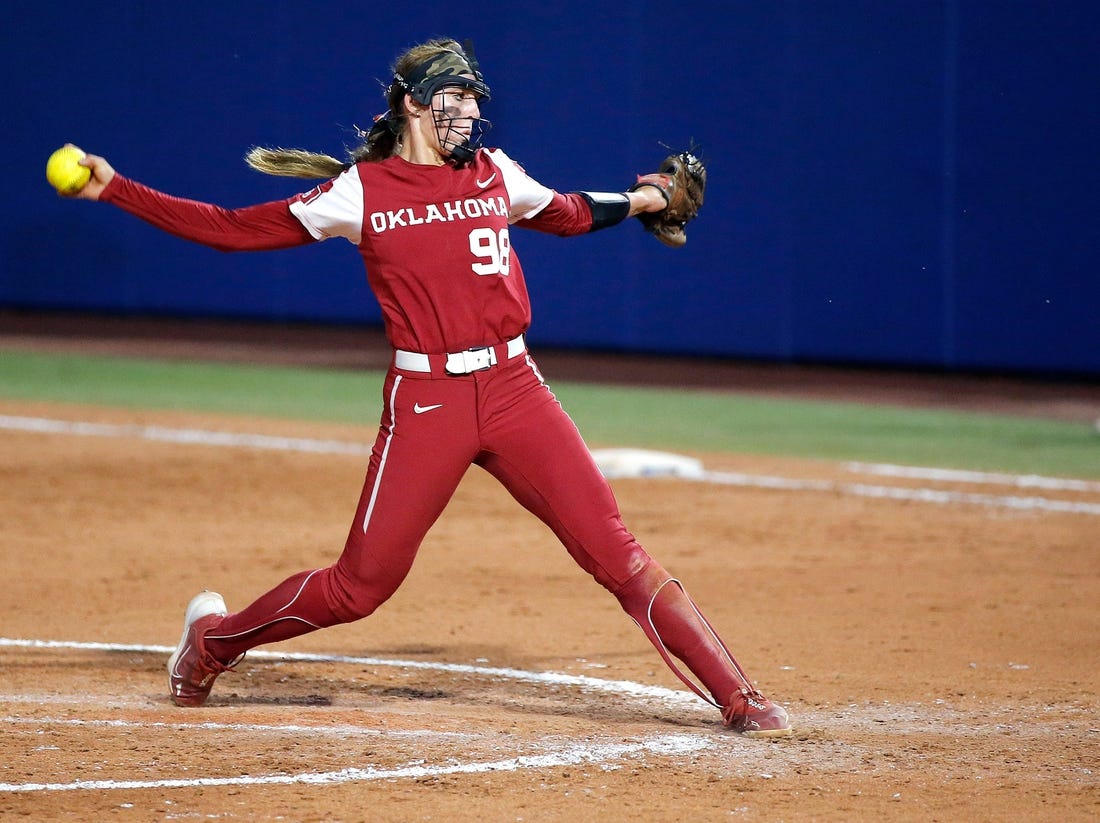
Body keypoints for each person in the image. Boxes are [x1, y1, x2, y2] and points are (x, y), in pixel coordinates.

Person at [64, 37, 791, 737]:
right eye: (455, 97)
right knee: (360, 588)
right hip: (428, 403)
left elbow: (567, 212)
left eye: (474, 100)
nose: (470, 113)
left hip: (515, 389)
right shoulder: (363, 191)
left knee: (619, 554)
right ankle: (210, 643)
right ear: (413, 105)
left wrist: (647, 198)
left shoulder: (495, 173)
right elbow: (230, 229)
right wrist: (117, 190)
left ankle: (739, 695)